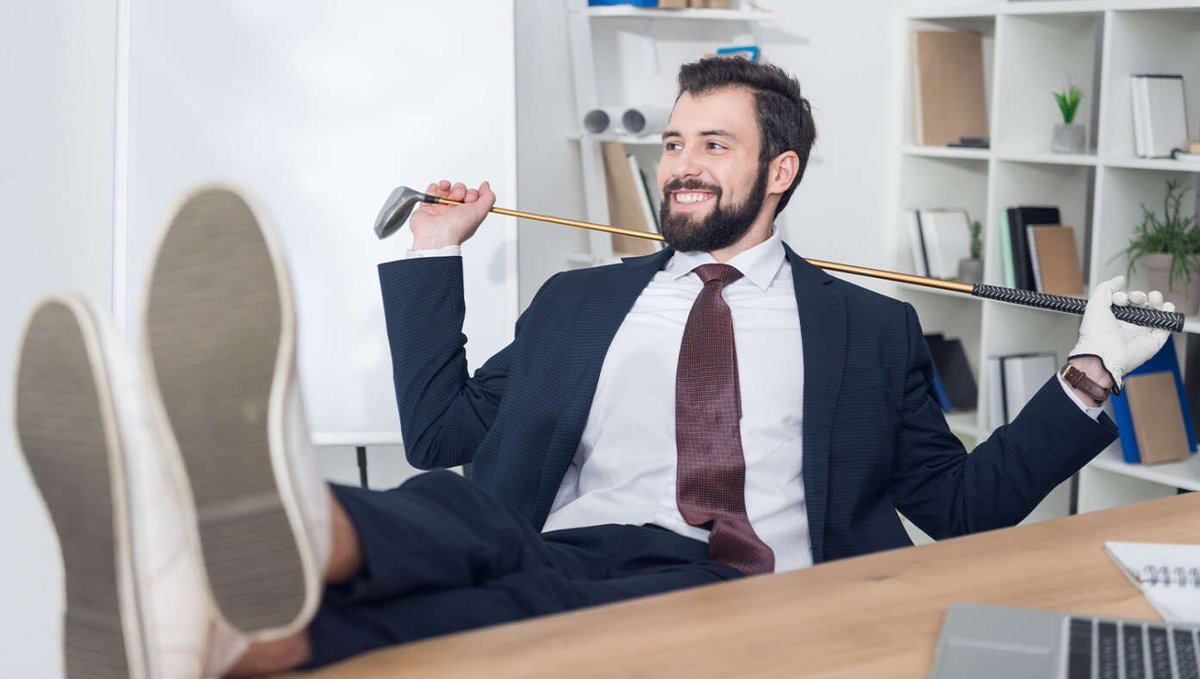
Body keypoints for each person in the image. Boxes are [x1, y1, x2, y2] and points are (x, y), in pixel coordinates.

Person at [14, 58, 1172, 678]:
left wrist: (1090, 371)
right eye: (672, 142)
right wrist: (433, 256)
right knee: (464, 517)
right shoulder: (583, 300)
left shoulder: (866, 331)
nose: (678, 165)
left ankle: (232, 622)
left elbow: (958, 507)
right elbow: (440, 427)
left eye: (712, 145)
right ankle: (276, 536)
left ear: (782, 171)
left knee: (497, 606)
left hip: (737, 582)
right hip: (558, 535)